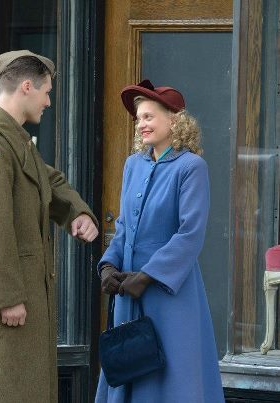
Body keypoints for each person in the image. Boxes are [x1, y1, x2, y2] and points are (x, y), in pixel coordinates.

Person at [0, 50, 98, 403]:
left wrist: (77, 213)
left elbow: (46, 179)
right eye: (46, 92)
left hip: (19, 295)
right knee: (0, 390)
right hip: (3, 302)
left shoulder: (13, 139)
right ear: (27, 87)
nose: (49, 102)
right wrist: (7, 298)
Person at [95, 79, 224, 403]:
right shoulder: (133, 165)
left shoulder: (191, 167)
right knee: (129, 368)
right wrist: (108, 265)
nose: (141, 124)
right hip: (128, 290)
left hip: (169, 294)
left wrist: (148, 276)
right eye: (139, 118)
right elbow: (123, 226)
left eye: (149, 116)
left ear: (174, 120)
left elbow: (190, 234)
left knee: (173, 379)